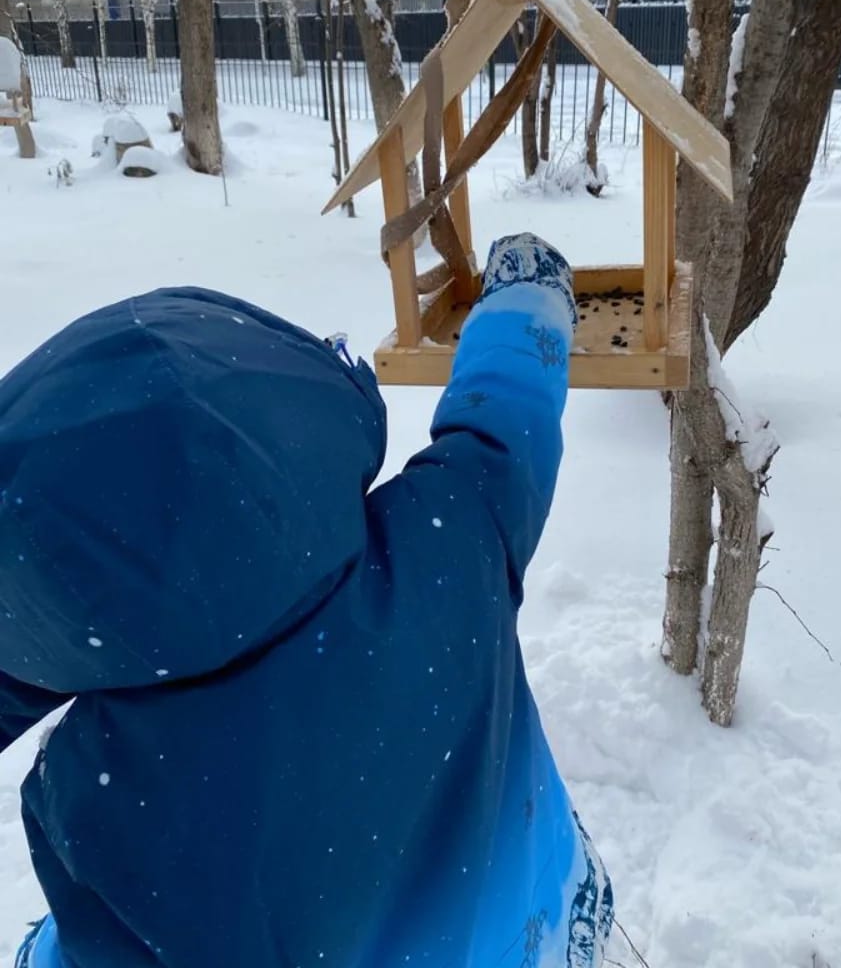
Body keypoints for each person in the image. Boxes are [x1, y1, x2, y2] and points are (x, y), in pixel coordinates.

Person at [0, 233, 613, 968]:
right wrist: (527, 300)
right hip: (537, 915)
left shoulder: (117, 811)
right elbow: (508, 418)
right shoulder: (451, 534)